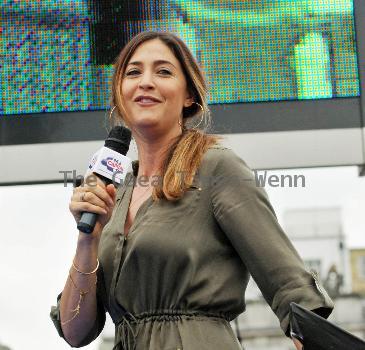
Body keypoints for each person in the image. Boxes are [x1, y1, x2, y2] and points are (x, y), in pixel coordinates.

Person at [50, 30, 334, 350]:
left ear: (189, 96)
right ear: (119, 94)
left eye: (163, 71)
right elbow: (76, 332)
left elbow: (289, 285)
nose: (145, 81)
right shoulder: (115, 191)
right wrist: (88, 237)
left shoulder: (216, 169)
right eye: (133, 72)